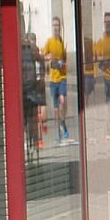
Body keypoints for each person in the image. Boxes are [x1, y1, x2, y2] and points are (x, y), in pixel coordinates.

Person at [41, 16, 73, 144]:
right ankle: (58, 133)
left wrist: (62, 63)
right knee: (55, 109)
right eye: (54, 25)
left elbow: (65, 60)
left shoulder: (61, 42)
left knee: (62, 101)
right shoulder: (49, 42)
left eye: (57, 25)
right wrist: (50, 58)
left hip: (62, 78)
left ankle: (63, 122)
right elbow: (43, 56)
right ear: (52, 27)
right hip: (53, 79)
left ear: (60, 27)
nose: (56, 28)